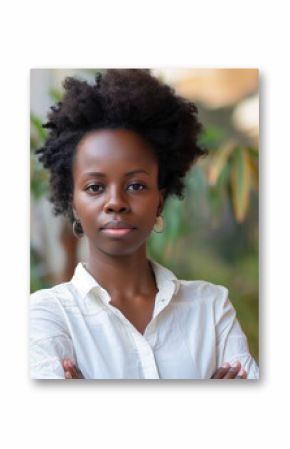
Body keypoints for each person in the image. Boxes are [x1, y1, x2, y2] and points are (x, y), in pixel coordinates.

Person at [30, 69, 259, 380]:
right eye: (95, 187)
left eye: (136, 186)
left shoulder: (211, 306)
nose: (116, 202)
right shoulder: (46, 315)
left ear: (160, 201)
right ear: (73, 203)